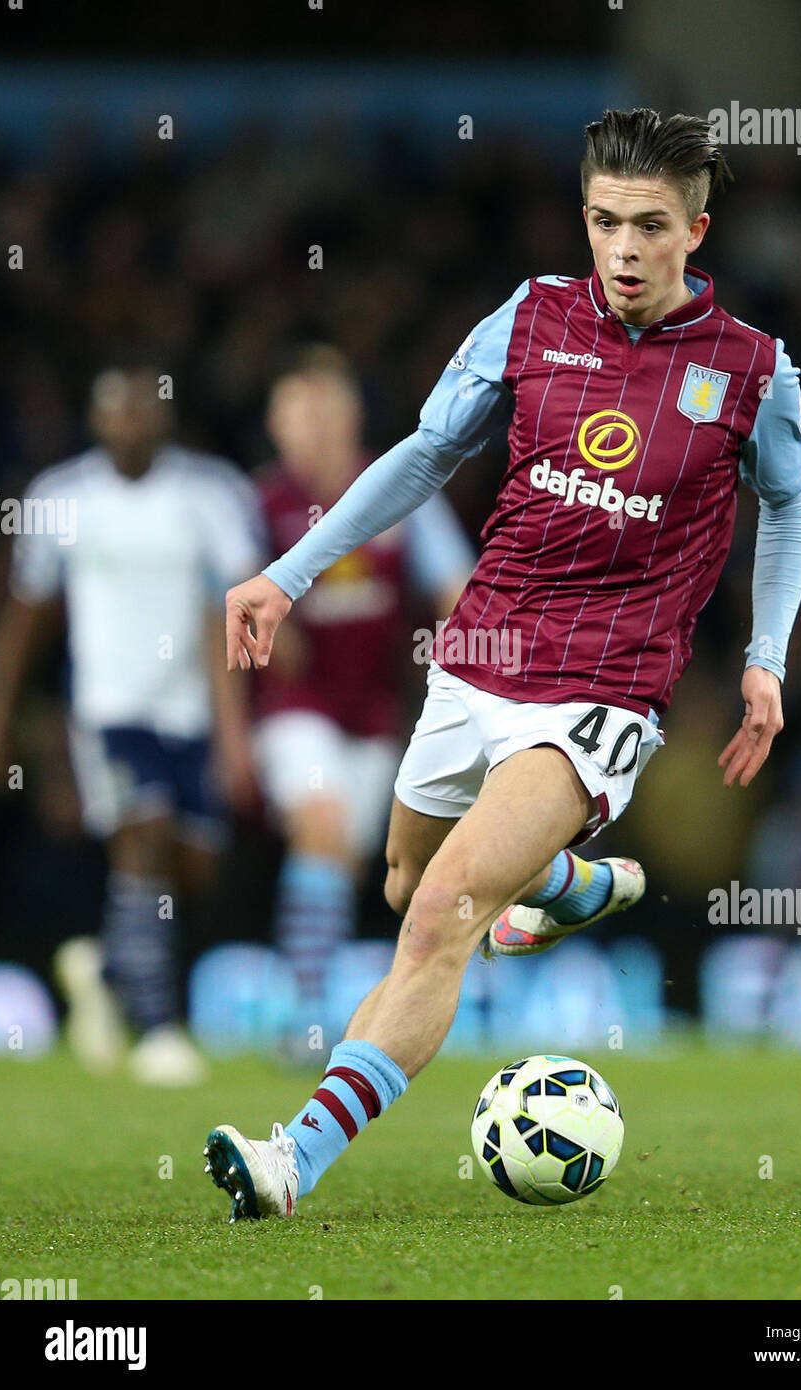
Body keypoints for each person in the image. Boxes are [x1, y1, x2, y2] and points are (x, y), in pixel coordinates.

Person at [203, 108, 801, 1218]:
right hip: (480, 657)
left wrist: (763, 657)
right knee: (401, 878)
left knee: (436, 913)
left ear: (695, 230)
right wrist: (286, 575)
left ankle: (293, 1157)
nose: (621, 251)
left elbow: (789, 507)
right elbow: (426, 454)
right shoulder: (528, 319)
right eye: (601, 222)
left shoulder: (752, 372)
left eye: (647, 226)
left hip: (602, 690)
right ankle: (563, 883)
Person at [0, 368, 263, 1084]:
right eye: (115, 410)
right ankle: (156, 1028)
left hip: (188, 711)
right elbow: (27, 618)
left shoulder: (209, 493)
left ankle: (107, 966)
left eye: (143, 408)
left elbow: (234, 609)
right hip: (107, 711)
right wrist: (5, 716)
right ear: (96, 418)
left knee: (192, 867)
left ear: (163, 414)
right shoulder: (62, 497)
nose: (130, 423)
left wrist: (235, 731)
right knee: (141, 837)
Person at [251, 345, 474, 1033]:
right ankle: (309, 1015)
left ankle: (310, 993)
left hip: (376, 715)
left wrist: (464, 676)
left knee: (343, 857)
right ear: (275, 425)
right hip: (296, 706)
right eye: (298, 415)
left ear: (352, 418)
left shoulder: (399, 492)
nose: (312, 428)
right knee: (321, 823)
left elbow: (455, 590)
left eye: (326, 412)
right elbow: (226, 590)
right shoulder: (261, 503)